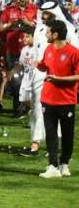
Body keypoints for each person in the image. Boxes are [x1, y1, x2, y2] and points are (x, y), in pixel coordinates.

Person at [36, 19, 79, 178]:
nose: (45, 34)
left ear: (55, 34)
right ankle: (52, 166)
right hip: (48, 99)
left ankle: (64, 163)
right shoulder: (48, 48)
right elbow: (44, 65)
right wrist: (38, 64)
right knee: (51, 133)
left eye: (48, 32)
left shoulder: (74, 52)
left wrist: (58, 79)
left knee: (67, 135)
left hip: (66, 100)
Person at [0, 0, 37, 113]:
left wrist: (28, 23)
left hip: (28, 50)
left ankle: (27, 106)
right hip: (12, 49)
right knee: (14, 79)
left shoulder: (35, 9)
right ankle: (17, 106)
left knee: (28, 77)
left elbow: (40, 27)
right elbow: (1, 28)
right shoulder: (8, 10)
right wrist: (11, 24)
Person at [17, 24, 44, 156]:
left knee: (37, 112)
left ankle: (35, 144)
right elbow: (21, 64)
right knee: (23, 100)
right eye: (24, 37)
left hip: (38, 82)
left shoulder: (39, 49)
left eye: (27, 36)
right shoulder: (24, 50)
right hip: (26, 81)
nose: (24, 39)